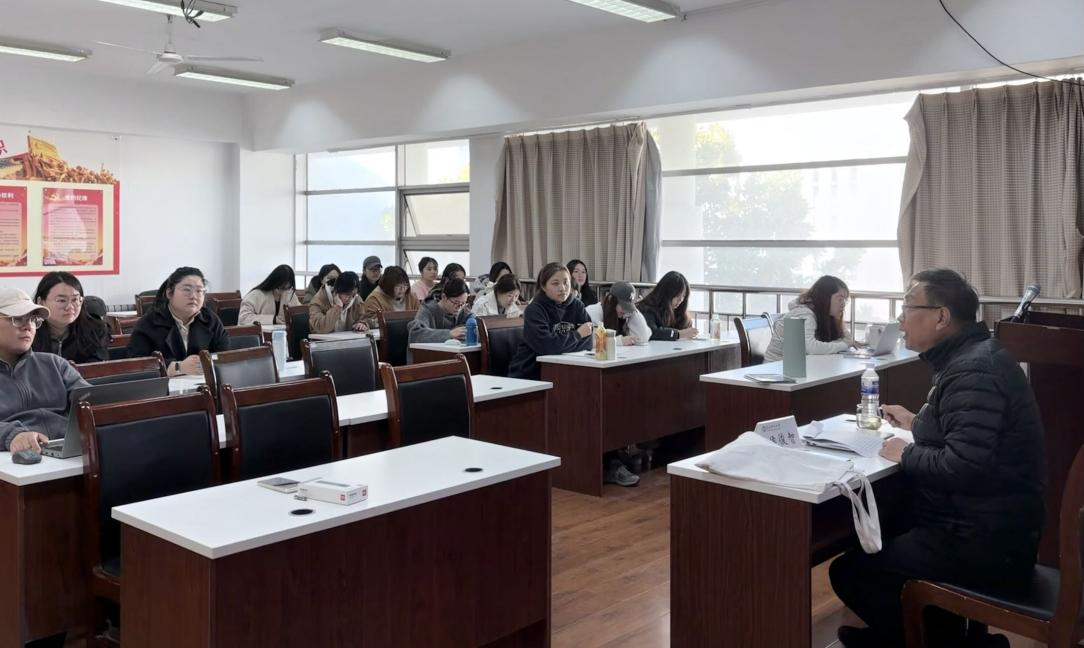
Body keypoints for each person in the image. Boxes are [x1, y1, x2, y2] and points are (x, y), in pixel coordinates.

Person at [830, 269, 1045, 648]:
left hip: (985, 542)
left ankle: (925, 641)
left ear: (941, 316)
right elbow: (965, 435)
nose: (900, 318)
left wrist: (907, 452)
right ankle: (935, 637)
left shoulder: (974, 370)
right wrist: (915, 422)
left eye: (908, 307)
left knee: (852, 570)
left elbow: (964, 466)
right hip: (985, 524)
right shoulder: (974, 357)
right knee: (880, 531)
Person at [0, 287, 90, 452]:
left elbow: (92, 401)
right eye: (17, 319)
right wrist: (11, 435)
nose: (28, 326)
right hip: (12, 457)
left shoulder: (55, 364)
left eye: (33, 319)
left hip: (66, 450)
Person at [127, 267, 229, 376]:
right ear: (169, 293)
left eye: (199, 291)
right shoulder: (148, 324)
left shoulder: (211, 320)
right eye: (187, 290)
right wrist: (178, 367)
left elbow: (224, 355)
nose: (194, 296)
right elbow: (137, 365)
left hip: (204, 383)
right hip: (164, 385)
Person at [508, 262, 593, 381]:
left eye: (566, 282)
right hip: (529, 374)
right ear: (543, 286)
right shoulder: (535, 310)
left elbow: (589, 341)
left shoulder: (577, 306)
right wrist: (578, 335)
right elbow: (547, 346)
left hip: (564, 370)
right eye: (555, 283)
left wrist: (558, 344)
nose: (562, 288)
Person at [764, 275, 859, 361]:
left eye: (845, 300)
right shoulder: (804, 313)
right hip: (776, 367)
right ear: (825, 297)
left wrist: (845, 336)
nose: (843, 304)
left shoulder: (826, 315)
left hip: (800, 366)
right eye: (840, 299)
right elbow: (810, 348)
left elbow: (847, 339)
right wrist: (844, 344)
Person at [31, 271, 109, 363]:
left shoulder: (94, 329)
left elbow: (97, 366)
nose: (70, 307)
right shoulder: (28, 330)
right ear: (40, 302)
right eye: (61, 300)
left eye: (75, 299)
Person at [637, 271, 699, 341]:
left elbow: (685, 329)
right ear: (666, 293)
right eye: (677, 295)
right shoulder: (647, 308)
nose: (680, 300)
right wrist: (679, 334)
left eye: (683, 296)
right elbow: (651, 333)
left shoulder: (679, 310)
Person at [407, 278, 471, 344]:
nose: (459, 307)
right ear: (444, 297)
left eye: (463, 303)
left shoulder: (462, 309)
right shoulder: (427, 310)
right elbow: (415, 335)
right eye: (456, 302)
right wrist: (449, 334)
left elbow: (472, 319)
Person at [586, 281, 650, 346]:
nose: (625, 310)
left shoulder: (622, 315)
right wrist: (619, 341)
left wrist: (633, 312)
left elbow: (642, 339)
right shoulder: (593, 312)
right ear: (611, 300)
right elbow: (589, 343)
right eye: (623, 305)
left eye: (628, 306)